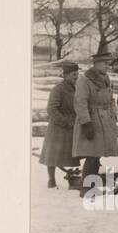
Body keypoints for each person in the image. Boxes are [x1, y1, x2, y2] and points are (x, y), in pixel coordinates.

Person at [73, 43, 118, 197]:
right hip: (92, 121)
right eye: (105, 63)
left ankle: (92, 186)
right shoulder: (84, 80)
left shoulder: (105, 78)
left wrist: (113, 113)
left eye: (108, 63)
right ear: (96, 64)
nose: (108, 66)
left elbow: (111, 98)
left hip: (104, 121)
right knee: (92, 155)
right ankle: (86, 189)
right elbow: (80, 103)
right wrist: (86, 123)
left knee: (97, 155)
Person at [39, 60, 79, 188]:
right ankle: (51, 180)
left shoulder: (76, 88)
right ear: (65, 75)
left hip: (72, 125)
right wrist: (65, 121)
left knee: (69, 154)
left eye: (77, 75)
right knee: (53, 155)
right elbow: (51, 109)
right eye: (74, 75)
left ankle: (76, 175)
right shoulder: (58, 89)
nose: (76, 77)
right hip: (58, 127)